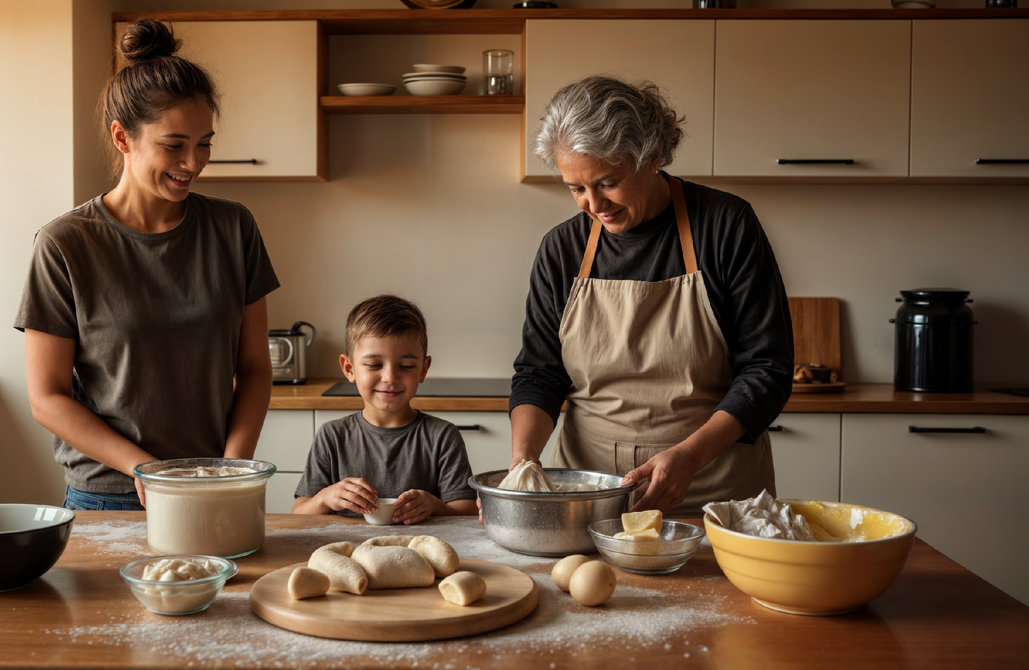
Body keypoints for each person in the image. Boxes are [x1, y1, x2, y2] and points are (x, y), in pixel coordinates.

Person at [15, 19, 279, 511]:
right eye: (174, 145)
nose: (194, 162)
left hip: (215, 485)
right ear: (122, 137)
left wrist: (231, 470)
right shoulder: (65, 243)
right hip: (112, 494)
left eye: (205, 143)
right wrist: (148, 471)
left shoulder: (233, 228)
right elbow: (46, 398)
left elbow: (254, 368)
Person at [510, 75, 793, 516]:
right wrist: (523, 461)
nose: (593, 203)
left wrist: (690, 456)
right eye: (576, 188)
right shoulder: (561, 249)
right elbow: (539, 372)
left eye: (607, 181)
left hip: (712, 485)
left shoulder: (725, 226)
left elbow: (766, 370)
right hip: (589, 493)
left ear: (654, 156)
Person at [292, 295, 479, 523]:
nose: (390, 377)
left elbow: (467, 512)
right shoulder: (332, 436)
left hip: (419, 552)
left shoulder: (442, 436)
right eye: (374, 365)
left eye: (406, 366)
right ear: (349, 368)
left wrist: (433, 505)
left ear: (423, 369)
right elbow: (298, 513)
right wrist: (324, 498)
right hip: (347, 551)